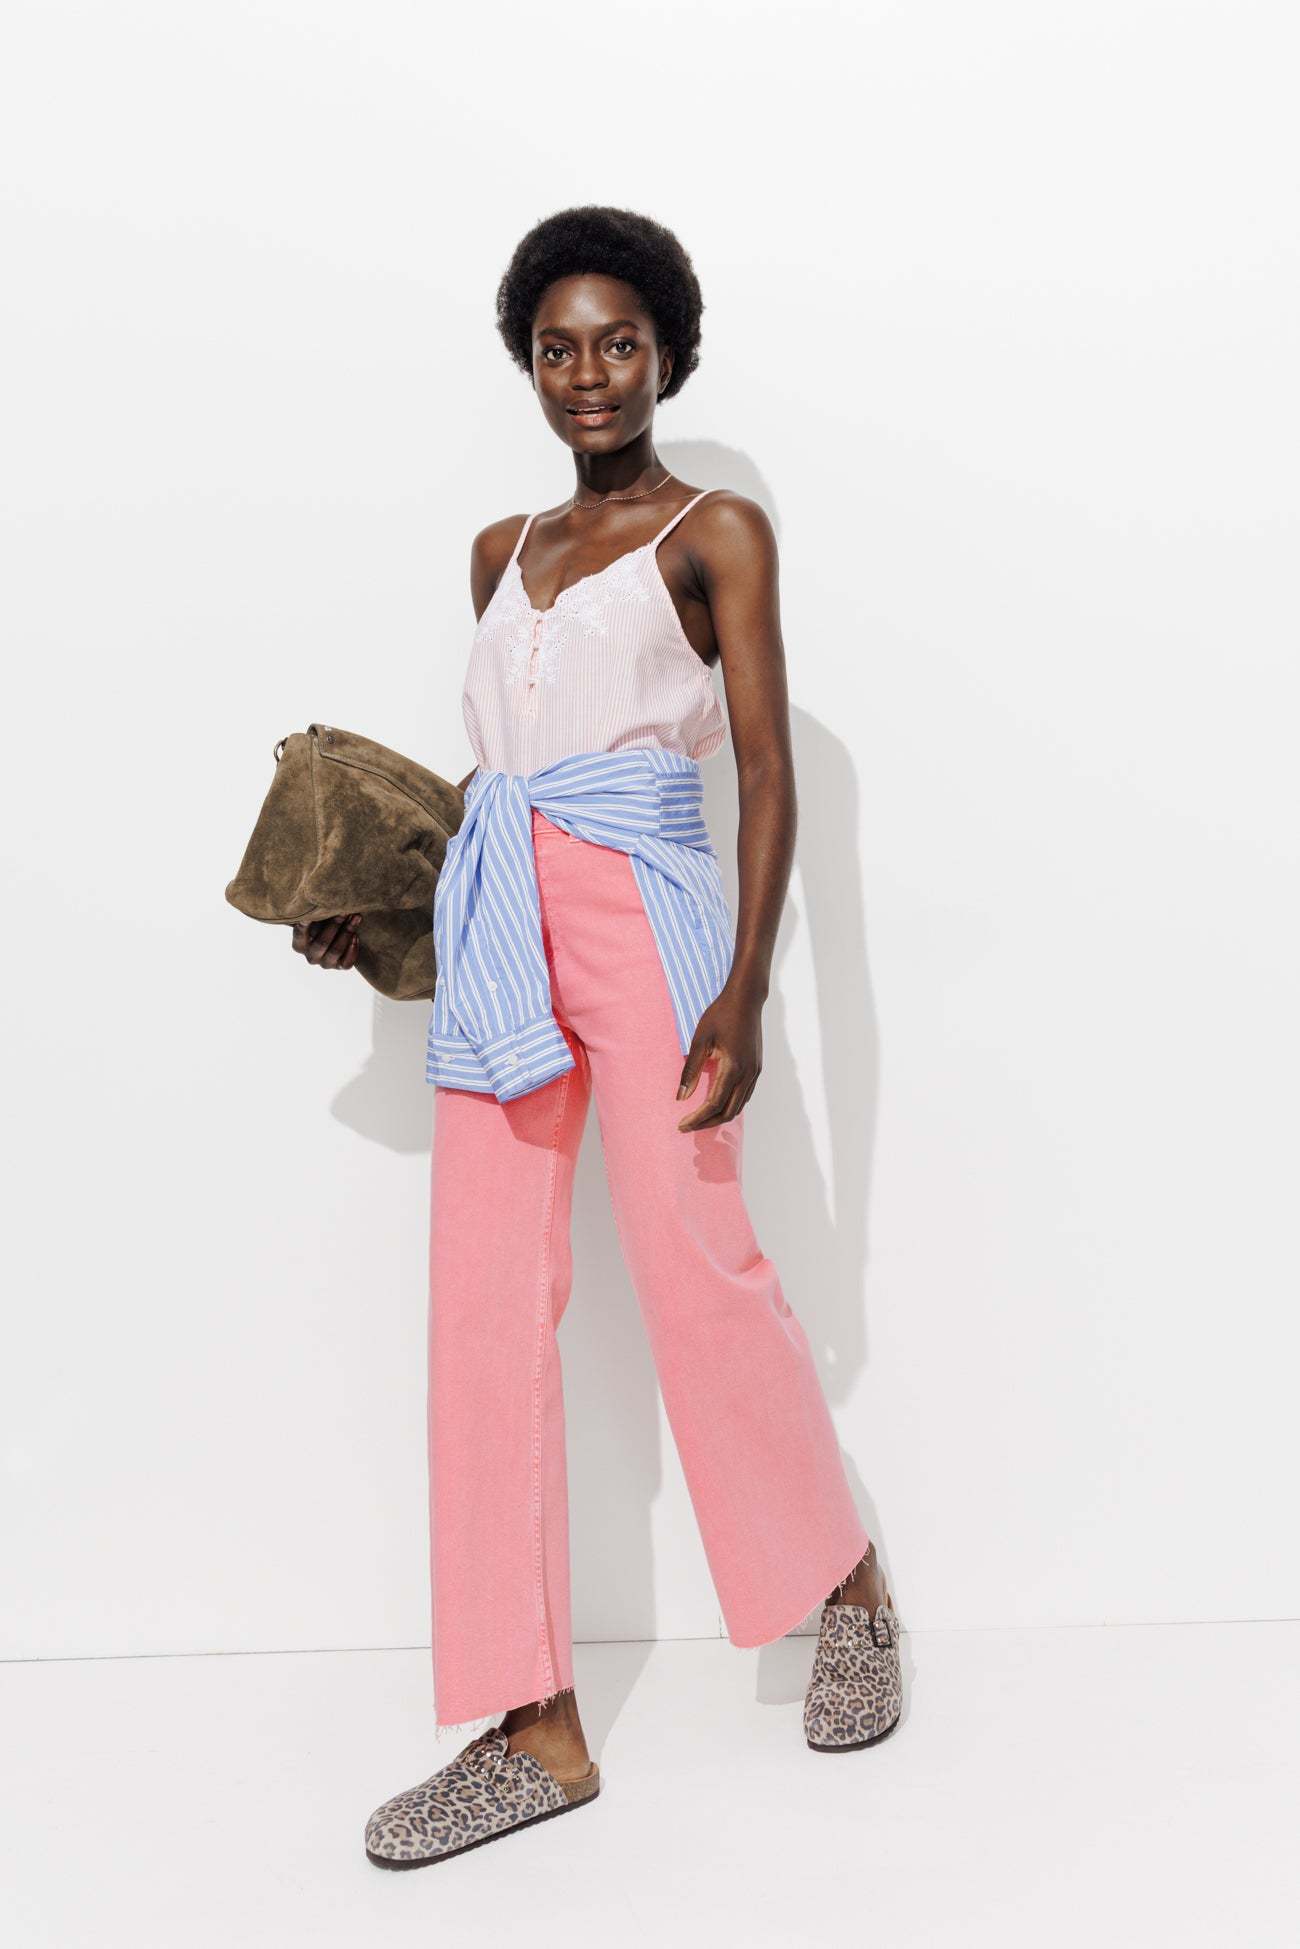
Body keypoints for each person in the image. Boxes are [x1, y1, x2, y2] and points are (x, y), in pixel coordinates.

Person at [294, 204, 902, 1871]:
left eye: (618, 342)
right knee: (482, 1303)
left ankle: (840, 1579)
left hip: (651, 911)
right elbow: (501, 770)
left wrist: (746, 986)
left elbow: (763, 772)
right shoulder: (498, 551)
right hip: (503, 916)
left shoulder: (717, 533)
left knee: (699, 1265)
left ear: (667, 353)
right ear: (529, 361)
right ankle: (531, 1722)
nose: (588, 373)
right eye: (558, 347)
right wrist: (385, 903)